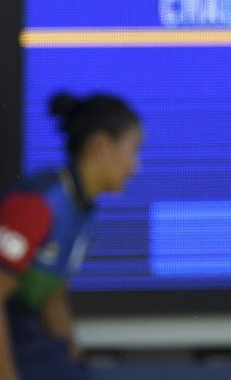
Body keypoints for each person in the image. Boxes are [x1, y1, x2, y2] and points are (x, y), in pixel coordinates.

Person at [0, 92, 142, 380]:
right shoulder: (35, 206)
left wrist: (75, 364)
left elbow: (52, 296)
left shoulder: (86, 215)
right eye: (133, 150)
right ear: (101, 145)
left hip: (24, 337)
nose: (134, 166)